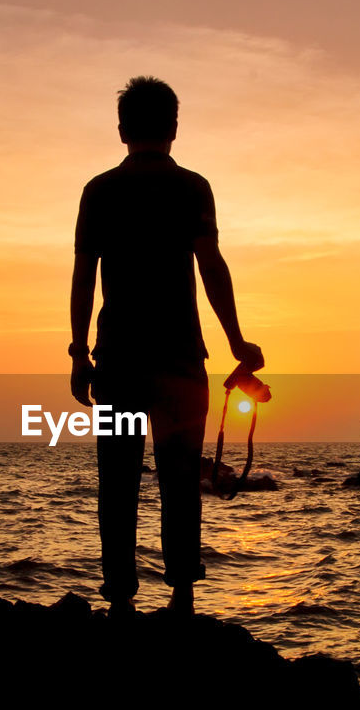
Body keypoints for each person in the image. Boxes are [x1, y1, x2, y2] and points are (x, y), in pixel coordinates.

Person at [69, 75, 263, 616]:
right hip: (180, 361)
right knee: (180, 477)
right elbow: (212, 267)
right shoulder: (193, 188)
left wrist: (78, 352)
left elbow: (84, 276)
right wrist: (237, 342)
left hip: (118, 362)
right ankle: (182, 596)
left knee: (118, 480)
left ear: (122, 129)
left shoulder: (99, 191)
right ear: (174, 128)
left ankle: (121, 602)